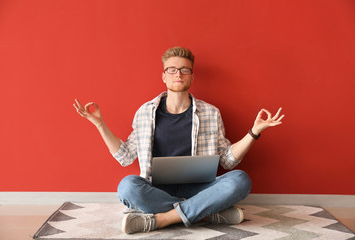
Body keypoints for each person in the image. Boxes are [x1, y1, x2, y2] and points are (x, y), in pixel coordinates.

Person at [73, 47, 284, 234]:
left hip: (201, 188)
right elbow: (126, 156)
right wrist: (100, 124)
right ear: (163, 76)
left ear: (192, 77)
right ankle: (205, 214)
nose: (178, 74)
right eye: (172, 69)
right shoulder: (145, 112)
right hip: (156, 188)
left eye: (184, 69)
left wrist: (254, 132)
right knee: (127, 187)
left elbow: (228, 161)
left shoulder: (211, 113)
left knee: (240, 180)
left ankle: (163, 219)